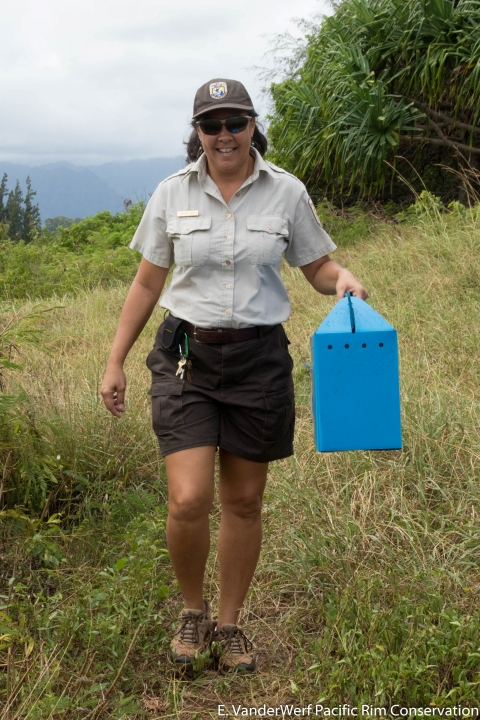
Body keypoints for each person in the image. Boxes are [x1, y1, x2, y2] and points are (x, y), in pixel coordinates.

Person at [100, 78, 368, 675]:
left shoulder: (286, 192)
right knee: (189, 498)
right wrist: (115, 359)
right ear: (196, 133)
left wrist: (341, 278)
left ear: (252, 126)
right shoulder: (171, 194)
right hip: (187, 357)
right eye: (211, 125)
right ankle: (191, 612)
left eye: (235, 123)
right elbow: (148, 281)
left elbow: (315, 266)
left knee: (244, 500)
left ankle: (229, 622)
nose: (224, 135)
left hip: (258, 360)